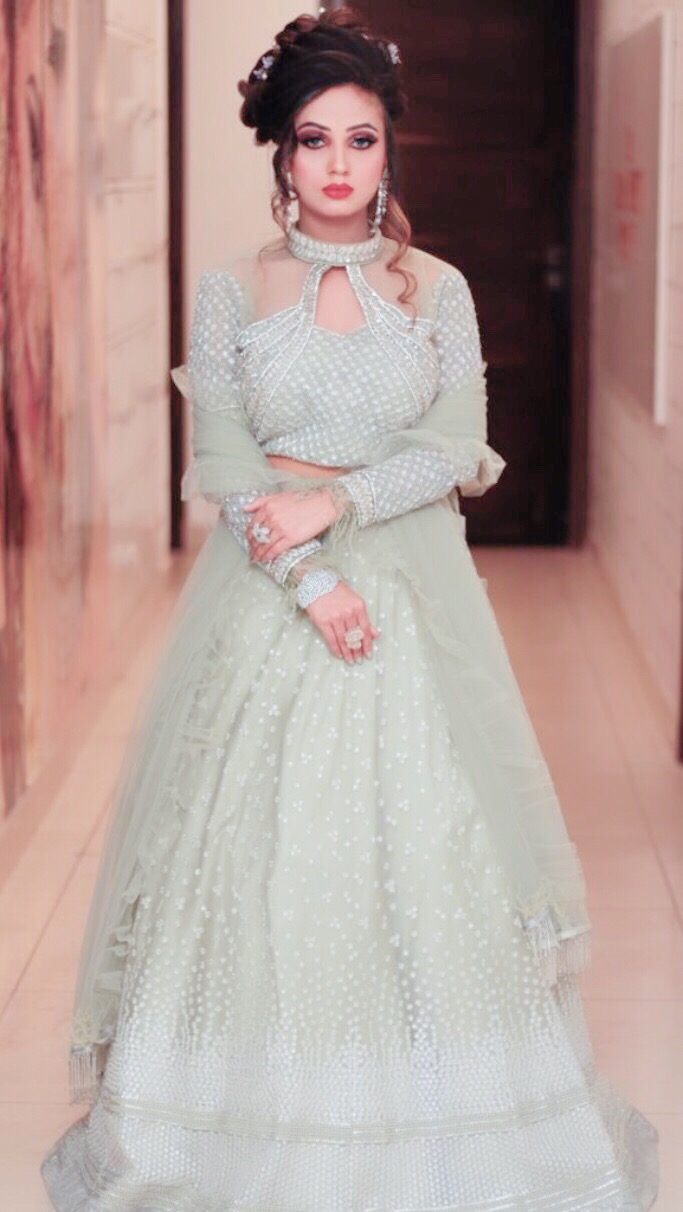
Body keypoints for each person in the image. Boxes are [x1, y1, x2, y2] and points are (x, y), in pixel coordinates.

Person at [41, 8, 659, 1208]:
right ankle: (230, 1119)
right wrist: (308, 575)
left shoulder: (437, 289)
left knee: (431, 845)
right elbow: (224, 460)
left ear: (388, 152)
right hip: (267, 593)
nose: (337, 165)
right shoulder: (232, 290)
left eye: (359, 140)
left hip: (411, 594)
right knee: (251, 853)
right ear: (281, 154)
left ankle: (440, 1115)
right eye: (313, 140)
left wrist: (335, 507)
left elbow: (458, 446)